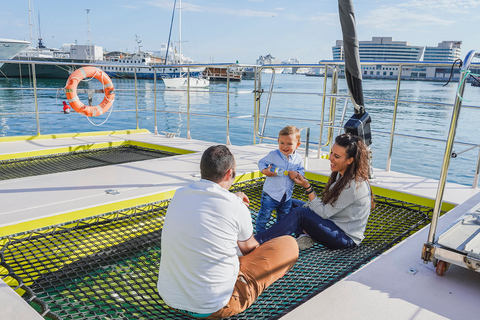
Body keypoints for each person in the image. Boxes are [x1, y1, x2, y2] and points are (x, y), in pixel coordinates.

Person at [157, 145, 298, 319]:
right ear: (228, 174)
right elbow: (249, 249)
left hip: (171, 299)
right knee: (288, 245)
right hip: (216, 306)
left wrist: (234, 198)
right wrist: (237, 203)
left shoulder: (180, 195)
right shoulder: (234, 206)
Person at [254, 133, 374, 250]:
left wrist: (308, 188)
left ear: (350, 160)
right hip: (331, 222)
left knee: (300, 213)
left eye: (337, 156)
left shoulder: (352, 186)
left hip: (344, 237)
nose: (330, 158)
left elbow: (323, 213)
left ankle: (256, 242)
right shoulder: (342, 174)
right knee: (288, 203)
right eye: (331, 152)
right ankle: (304, 235)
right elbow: (326, 209)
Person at [256, 125, 305, 233]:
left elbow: (302, 171)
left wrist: (297, 173)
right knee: (264, 216)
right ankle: (259, 233)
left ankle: (280, 234)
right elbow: (261, 162)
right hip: (270, 194)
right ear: (278, 141)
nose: (285, 146)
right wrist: (265, 171)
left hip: (286, 196)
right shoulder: (274, 155)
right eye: (282, 143)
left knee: (283, 217)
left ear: (297, 145)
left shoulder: (298, 159)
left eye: (289, 144)